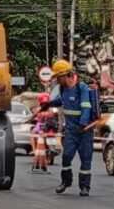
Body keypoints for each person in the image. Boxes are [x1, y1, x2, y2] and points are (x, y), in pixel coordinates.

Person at [41, 59, 100, 196]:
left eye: (57, 78)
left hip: (84, 131)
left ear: (63, 75)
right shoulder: (63, 90)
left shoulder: (82, 88)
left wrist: (83, 123)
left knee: (86, 159)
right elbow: (61, 101)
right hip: (71, 131)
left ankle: (85, 187)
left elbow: (86, 106)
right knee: (66, 157)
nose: (57, 81)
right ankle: (66, 181)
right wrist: (49, 104)